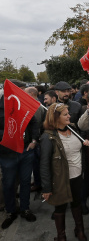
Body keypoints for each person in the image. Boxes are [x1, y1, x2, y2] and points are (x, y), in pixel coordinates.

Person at [40, 103, 89, 241]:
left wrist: (85, 144)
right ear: (56, 117)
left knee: (77, 203)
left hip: (77, 176)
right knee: (60, 208)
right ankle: (61, 236)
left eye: (68, 113)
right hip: (60, 179)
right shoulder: (47, 137)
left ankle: (79, 231)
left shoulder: (73, 128)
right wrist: (46, 188)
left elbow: (79, 147)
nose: (69, 116)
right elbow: (44, 164)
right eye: (65, 114)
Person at [0, 79, 39, 229]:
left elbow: (34, 123)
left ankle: (25, 209)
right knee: (8, 184)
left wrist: (34, 139)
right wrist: (9, 135)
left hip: (26, 151)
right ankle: (10, 211)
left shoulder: (24, 104)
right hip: (7, 154)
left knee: (25, 182)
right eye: (21, 91)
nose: (24, 94)